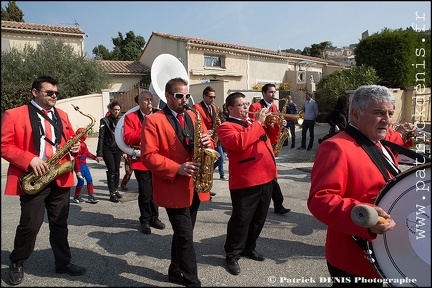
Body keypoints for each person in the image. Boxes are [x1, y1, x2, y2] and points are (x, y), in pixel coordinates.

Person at [307, 85, 416, 286]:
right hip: (353, 256)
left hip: (382, 252)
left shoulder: (377, 140)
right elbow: (320, 200)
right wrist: (368, 217)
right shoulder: (336, 147)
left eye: (390, 113)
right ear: (355, 115)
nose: (388, 120)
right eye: (379, 113)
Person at [1, 75, 86, 286]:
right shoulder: (14, 114)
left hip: (59, 175)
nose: (54, 96)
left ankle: (63, 262)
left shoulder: (63, 115)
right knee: (30, 224)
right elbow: (4, 145)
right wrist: (29, 159)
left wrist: (75, 149)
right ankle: (17, 261)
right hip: (33, 177)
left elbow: (67, 142)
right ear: (35, 92)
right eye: (49, 92)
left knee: (60, 223)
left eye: (56, 93)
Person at [140, 77, 216, 286]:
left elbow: (206, 143)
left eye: (187, 95)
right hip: (173, 186)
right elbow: (148, 156)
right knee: (185, 237)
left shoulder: (193, 115)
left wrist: (208, 141)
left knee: (184, 234)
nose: (185, 100)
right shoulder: (153, 120)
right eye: (179, 96)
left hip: (195, 185)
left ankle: (174, 270)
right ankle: (192, 281)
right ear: (167, 96)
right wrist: (177, 168)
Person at [218, 92, 279, 276]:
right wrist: (259, 123)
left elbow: (271, 141)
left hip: (267, 178)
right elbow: (240, 143)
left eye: (246, 104)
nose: (246, 107)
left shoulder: (252, 124)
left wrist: (275, 126)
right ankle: (232, 254)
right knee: (241, 220)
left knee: (259, 218)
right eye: (241, 105)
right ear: (230, 108)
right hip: (246, 181)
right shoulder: (225, 127)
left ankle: (249, 247)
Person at [123, 90, 166, 234]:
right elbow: (128, 139)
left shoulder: (158, 116)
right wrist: (146, 126)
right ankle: (145, 220)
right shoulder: (130, 117)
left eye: (151, 99)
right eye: (146, 100)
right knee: (146, 192)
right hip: (140, 161)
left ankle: (155, 218)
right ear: (139, 102)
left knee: (156, 191)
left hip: (156, 159)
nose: (150, 102)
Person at [249, 83, 291, 215]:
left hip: (271, 143)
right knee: (267, 176)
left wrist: (281, 123)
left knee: (271, 175)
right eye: (271, 92)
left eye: (274, 92)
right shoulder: (255, 107)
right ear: (264, 93)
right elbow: (251, 127)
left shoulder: (274, 106)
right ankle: (277, 204)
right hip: (259, 144)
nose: (274, 94)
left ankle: (277, 204)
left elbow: (275, 127)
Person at [192, 85, 227, 187]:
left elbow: (215, 121)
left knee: (220, 158)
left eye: (214, 97)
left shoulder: (215, 107)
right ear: (204, 96)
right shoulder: (196, 107)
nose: (213, 99)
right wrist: (206, 131)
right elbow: (195, 123)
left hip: (214, 139)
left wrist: (219, 123)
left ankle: (208, 177)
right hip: (203, 138)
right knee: (204, 163)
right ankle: (203, 183)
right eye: (210, 97)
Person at [96, 100, 125, 203]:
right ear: (111, 110)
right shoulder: (104, 121)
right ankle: (111, 193)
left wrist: (124, 150)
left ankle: (116, 190)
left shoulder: (121, 120)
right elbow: (101, 137)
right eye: (115, 110)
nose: (117, 111)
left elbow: (122, 136)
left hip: (117, 149)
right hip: (107, 149)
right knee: (111, 170)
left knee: (117, 170)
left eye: (118, 109)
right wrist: (99, 153)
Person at [72, 127, 100, 204]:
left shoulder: (83, 144)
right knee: (81, 181)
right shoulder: (78, 145)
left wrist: (95, 158)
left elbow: (87, 153)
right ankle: (77, 196)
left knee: (89, 180)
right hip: (79, 166)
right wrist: (77, 171)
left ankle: (91, 196)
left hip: (84, 165)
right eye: (86, 134)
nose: (87, 135)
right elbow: (76, 159)